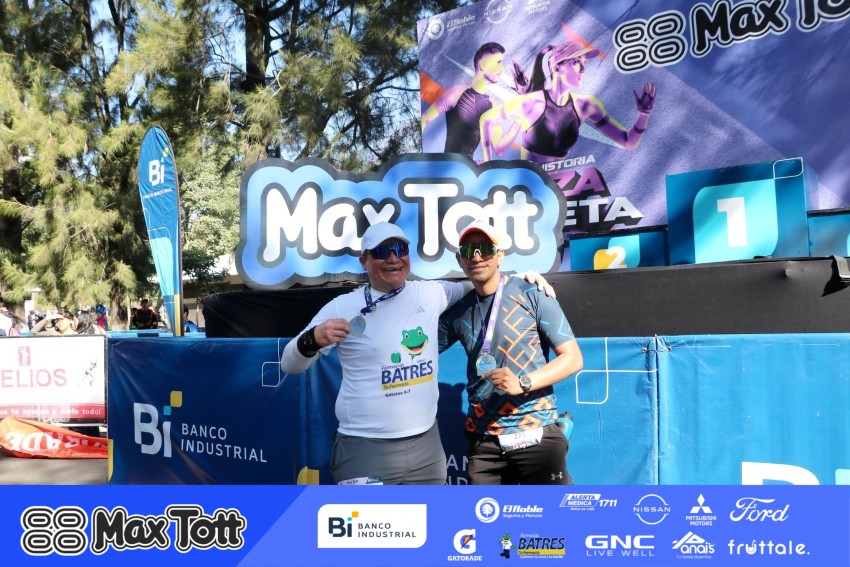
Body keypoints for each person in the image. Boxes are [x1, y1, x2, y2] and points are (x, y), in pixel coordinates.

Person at [280, 222, 554, 485]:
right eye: (382, 252)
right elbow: (289, 364)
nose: (393, 259)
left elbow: (481, 282)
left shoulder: (432, 293)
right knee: (367, 520)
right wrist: (312, 339)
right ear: (364, 261)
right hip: (365, 447)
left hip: (426, 447)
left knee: (427, 519)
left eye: (400, 250)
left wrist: (518, 277)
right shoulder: (342, 307)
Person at [439, 219, 583, 484]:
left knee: (554, 512)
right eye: (469, 251)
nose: (477, 257)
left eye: (485, 249)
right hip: (485, 441)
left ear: (500, 255)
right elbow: (414, 350)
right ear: (460, 259)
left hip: (536, 434)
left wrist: (523, 382)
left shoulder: (532, 293)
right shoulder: (458, 311)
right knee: (484, 514)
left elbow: (572, 358)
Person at [479, 40, 657, 164]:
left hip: (562, 193)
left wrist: (644, 114)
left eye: (585, 62)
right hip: (527, 191)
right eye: (576, 62)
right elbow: (486, 119)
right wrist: (487, 163)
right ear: (557, 66)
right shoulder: (531, 103)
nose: (583, 68)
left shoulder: (586, 106)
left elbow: (628, 142)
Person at [421, 42, 510, 160]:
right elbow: (424, 119)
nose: (502, 68)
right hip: (448, 167)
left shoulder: (492, 104)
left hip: (469, 169)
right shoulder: (456, 93)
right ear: (483, 65)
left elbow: (499, 148)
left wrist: (520, 120)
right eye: (498, 62)